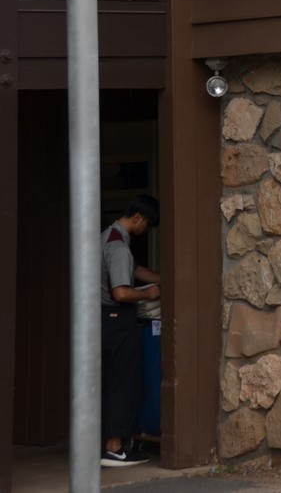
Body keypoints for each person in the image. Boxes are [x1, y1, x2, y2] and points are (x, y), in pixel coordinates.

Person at [101, 195, 160, 468]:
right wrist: (149, 294)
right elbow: (121, 292)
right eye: (147, 224)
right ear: (138, 217)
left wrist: (163, 279)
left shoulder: (107, 236)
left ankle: (107, 444)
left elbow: (133, 270)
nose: (146, 230)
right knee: (122, 383)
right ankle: (114, 448)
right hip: (116, 320)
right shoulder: (118, 247)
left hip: (102, 320)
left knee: (109, 381)